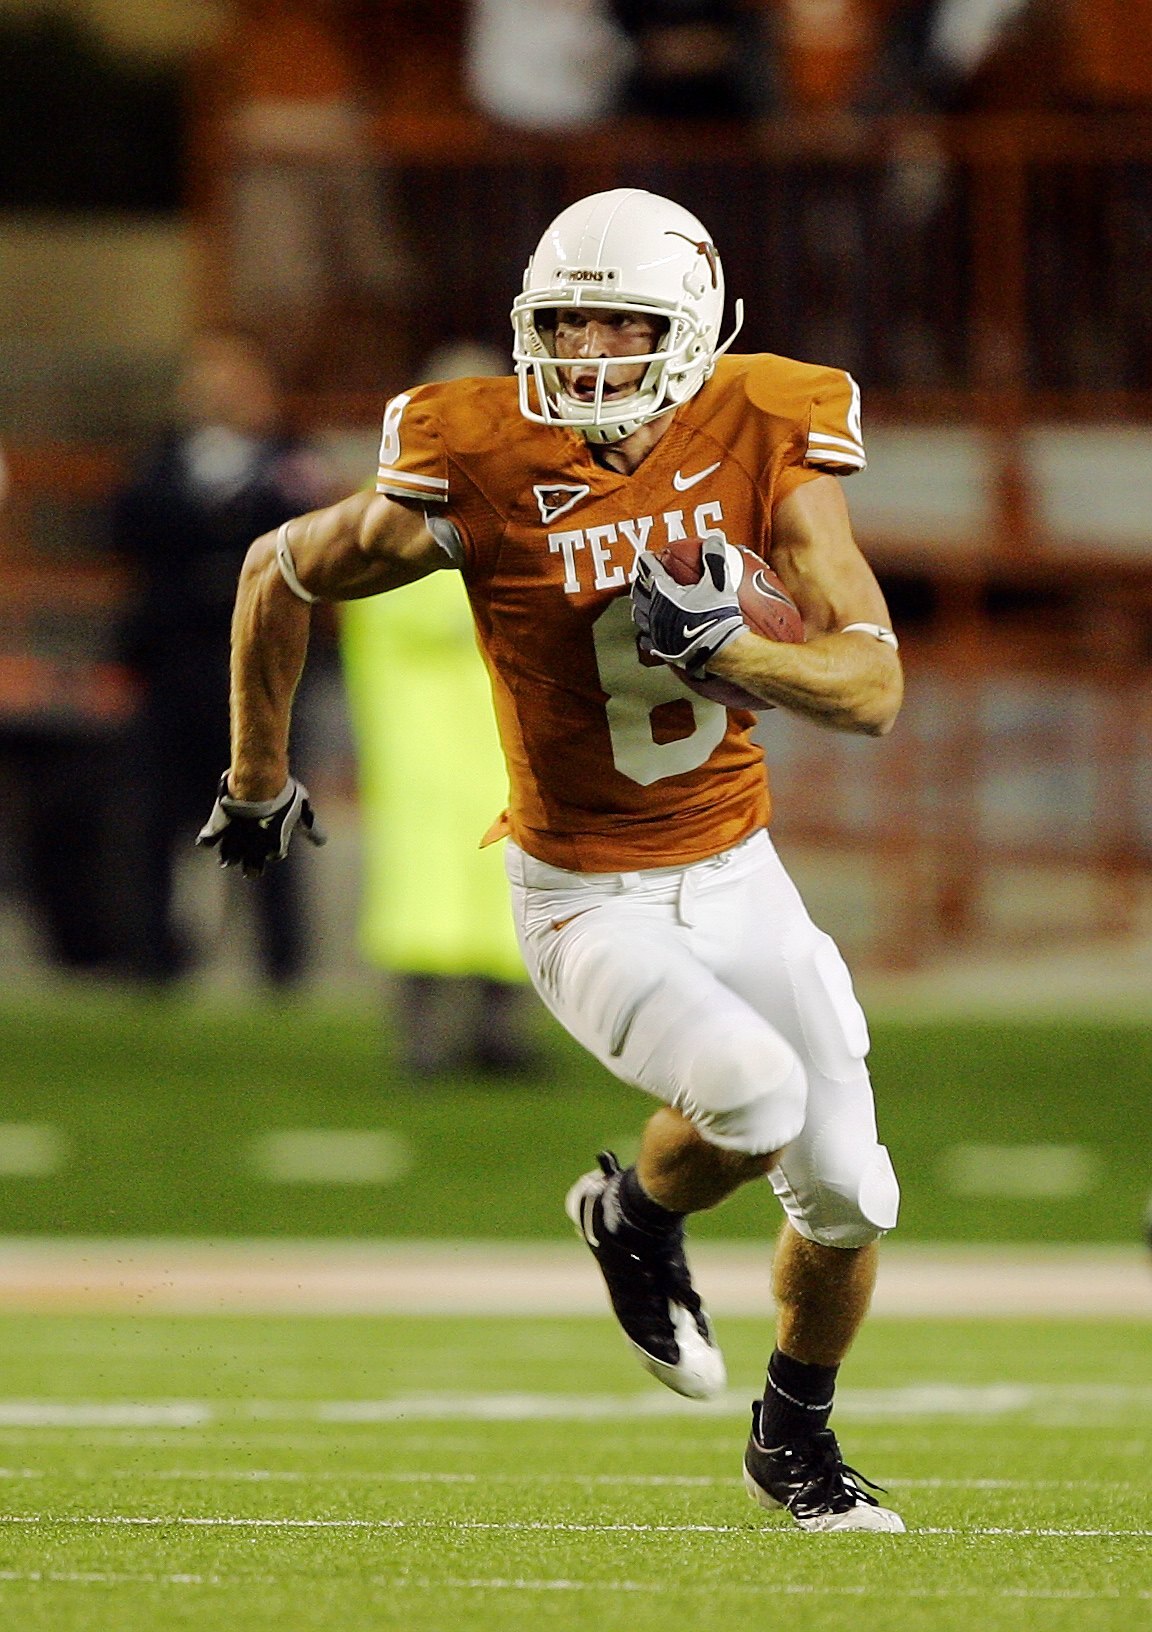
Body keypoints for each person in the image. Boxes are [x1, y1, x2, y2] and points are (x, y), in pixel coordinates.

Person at [199, 188, 906, 1532]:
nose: (584, 348)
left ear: (690, 327)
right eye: (564, 318)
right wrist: (256, 776)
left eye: (618, 320)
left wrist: (733, 649)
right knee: (751, 1098)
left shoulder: (767, 423)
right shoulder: (475, 451)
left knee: (853, 1189)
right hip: (584, 893)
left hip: (739, 867)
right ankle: (633, 1214)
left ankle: (794, 1442)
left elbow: (868, 692)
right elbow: (278, 569)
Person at [112, 328, 337, 983]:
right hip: (175, 665)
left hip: (266, 671)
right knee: (154, 814)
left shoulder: (294, 463)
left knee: (271, 814)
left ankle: (281, 963)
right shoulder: (159, 464)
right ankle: (151, 958)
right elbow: (124, 528)